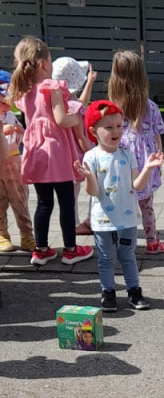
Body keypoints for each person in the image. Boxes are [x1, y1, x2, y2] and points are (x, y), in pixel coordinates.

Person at [8, 36, 93, 267]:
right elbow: (61, 119)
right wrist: (76, 117)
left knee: (44, 203)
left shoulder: (24, 91)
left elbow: (32, 122)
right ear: (45, 64)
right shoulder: (52, 87)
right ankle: (71, 250)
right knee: (66, 201)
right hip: (55, 153)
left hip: (35, 152)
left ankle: (41, 250)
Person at [75, 99, 163, 312]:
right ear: (93, 131)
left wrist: (148, 168)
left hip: (128, 219)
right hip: (103, 221)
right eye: (109, 127)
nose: (116, 131)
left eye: (119, 126)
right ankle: (108, 292)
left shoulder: (127, 154)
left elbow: (137, 185)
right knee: (106, 259)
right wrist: (89, 177)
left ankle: (134, 290)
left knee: (128, 256)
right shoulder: (91, 157)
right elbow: (92, 192)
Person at [108, 50, 164, 255]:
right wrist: (158, 161)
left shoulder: (112, 108)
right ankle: (152, 241)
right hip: (145, 161)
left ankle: (119, 242)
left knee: (120, 202)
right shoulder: (150, 107)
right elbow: (157, 136)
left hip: (120, 157)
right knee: (146, 204)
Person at [52, 55, 97, 235]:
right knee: (87, 188)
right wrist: (93, 152)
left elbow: (81, 103)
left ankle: (77, 222)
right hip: (78, 156)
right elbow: (80, 137)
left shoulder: (61, 104)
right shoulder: (73, 107)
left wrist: (90, 82)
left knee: (72, 193)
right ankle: (82, 223)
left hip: (66, 156)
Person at [0, 68, 34, 253]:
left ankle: (27, 235)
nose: (7, 106)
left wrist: (21, 132)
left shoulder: (11, 116)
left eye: (9, 102)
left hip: (13, 162)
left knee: (20, 199)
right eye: (2, 102)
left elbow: (21, 134)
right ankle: (2, 235)